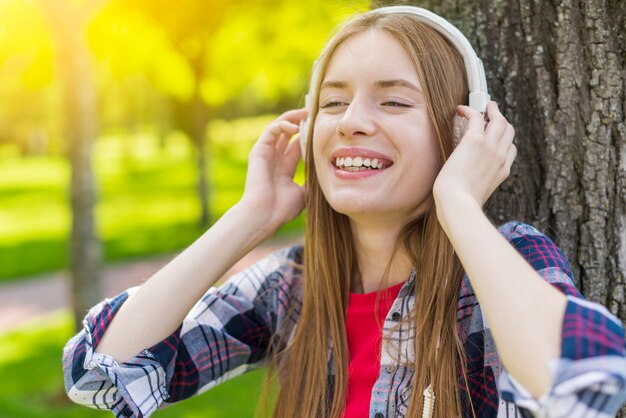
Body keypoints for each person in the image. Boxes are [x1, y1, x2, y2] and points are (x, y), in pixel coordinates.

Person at [63, 5, 626, 418]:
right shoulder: (291, 287)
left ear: (462, 133)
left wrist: (458, 201)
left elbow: (585, 382)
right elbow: (100, 371)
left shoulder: (502, 268)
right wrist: (251, 216)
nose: (351, 120)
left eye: (394, 100)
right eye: (332, 102)